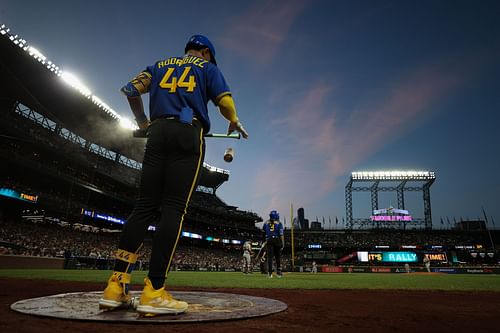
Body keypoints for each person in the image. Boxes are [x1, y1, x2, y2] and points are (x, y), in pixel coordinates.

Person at [99, 34, 249, 316]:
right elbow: (225, 103)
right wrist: (233, 120)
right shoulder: (208, 68)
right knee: (173, 209)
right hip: (187, 133)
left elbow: (130, 89)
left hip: (156, 134)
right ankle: (154, 290)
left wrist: (143, 122)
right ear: (205, 51)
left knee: (144, 207)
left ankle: (115, 286)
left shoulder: (159, 65)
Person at [263, 210, 284, 278]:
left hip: (269, 240)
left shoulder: (266, 223)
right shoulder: (279, 223)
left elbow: (264, 231)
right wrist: (283, 243)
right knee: (278, 257)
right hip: (277, 239)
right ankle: (278, 272)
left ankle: (270, 273)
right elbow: (281, 235)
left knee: (270, 257)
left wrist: (266, 238)